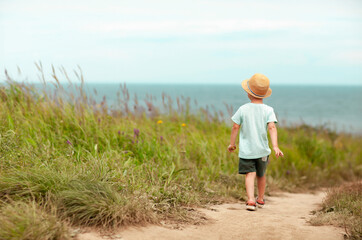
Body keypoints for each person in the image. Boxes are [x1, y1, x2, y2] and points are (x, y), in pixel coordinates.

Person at [228, 73, 283, 211]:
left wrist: (232, 144)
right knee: (261, 174)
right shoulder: (268, 110)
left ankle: (251, 200)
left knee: (250, 174)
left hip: (247, 150)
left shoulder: (243, 109)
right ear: (264, 94)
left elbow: (235, 126)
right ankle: (260, 198)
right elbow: (272, 127)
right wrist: (275, 146)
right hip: (263, 150)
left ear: (248, 93)